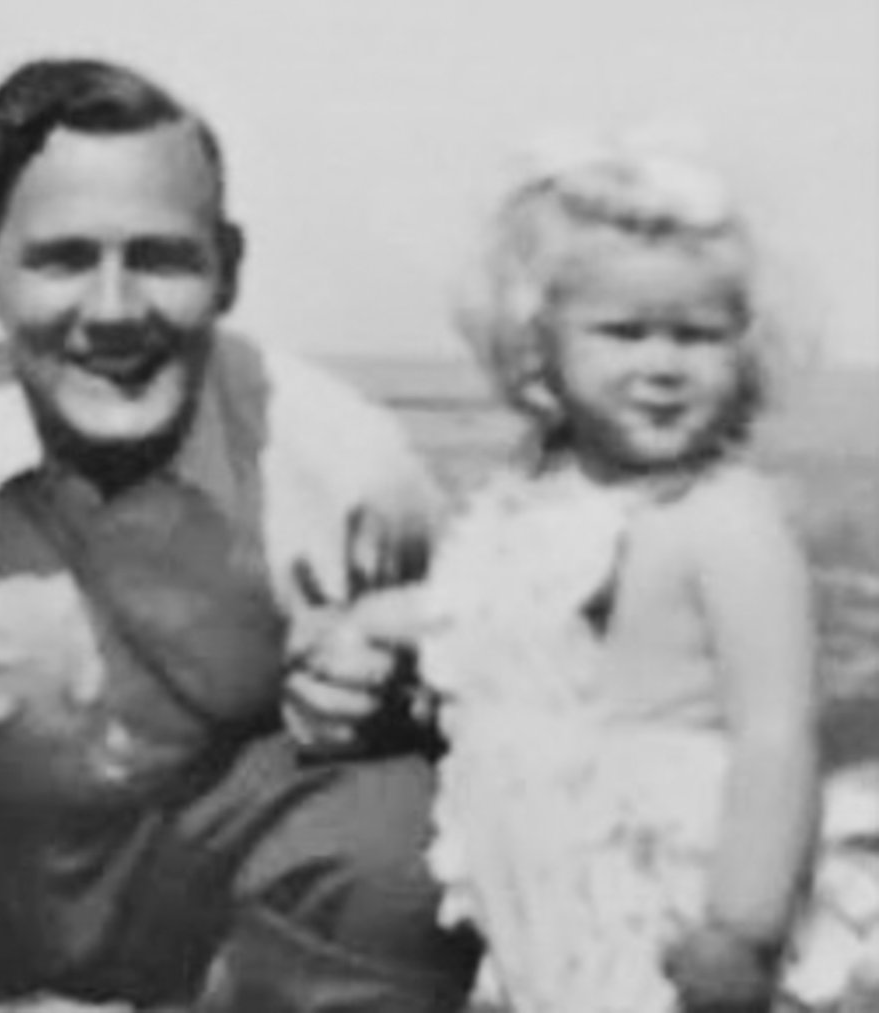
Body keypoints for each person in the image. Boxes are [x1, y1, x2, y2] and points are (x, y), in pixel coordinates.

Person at [0, 58, 479, 1013]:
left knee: (393, 828)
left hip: (190, 884)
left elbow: (509, 675)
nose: (113, 312)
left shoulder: (344, 459)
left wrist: (399, 695)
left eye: (161, 258)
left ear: (229, 267)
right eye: (62, 259)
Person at [329, 138, 873, 1012]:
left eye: (697, 336)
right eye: (624, 333)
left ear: (747, 346)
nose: (661, 365)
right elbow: (486, 606)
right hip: (543, 860)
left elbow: (776, 732)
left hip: (663, 878)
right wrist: (367, 623)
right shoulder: (541, 489)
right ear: (539, 348)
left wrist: (742, 925)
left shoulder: (724, 517)